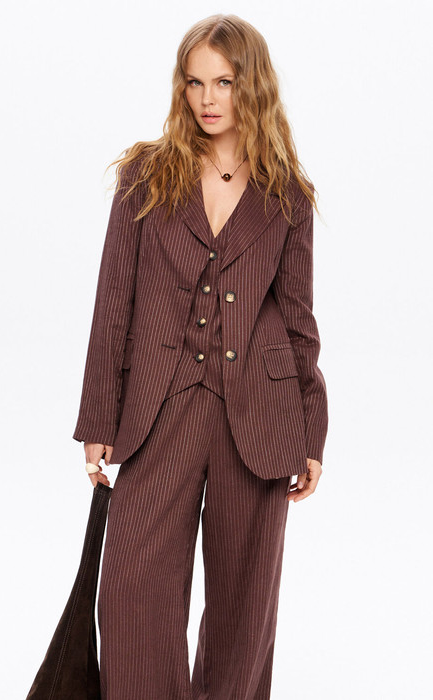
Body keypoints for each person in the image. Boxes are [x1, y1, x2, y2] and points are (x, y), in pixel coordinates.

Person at [72, 13, 328, 700]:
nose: (208, 99)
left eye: (224, 82)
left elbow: (299, 320)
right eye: (195, 83)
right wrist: (99, 416)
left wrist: (312, 430)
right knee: (131, 588)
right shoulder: (146, 175)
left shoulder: (287, 194)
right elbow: (114, 301)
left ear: (253, 86)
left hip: (261, 412)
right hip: (162, 404)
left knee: (245, 605)